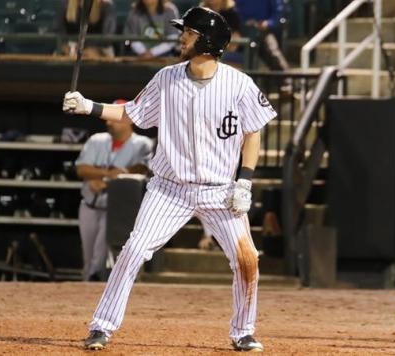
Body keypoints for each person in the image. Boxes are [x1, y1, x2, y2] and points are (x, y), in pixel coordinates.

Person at [63, 6, 277, 351]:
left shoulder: (239, 84)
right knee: (133, 250)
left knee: (246, 258)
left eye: (189, 32)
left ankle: (243, 331)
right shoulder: (167, 78)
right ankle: (101, 326)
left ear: (207, 41)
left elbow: (253, 133)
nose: (182, 37)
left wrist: (245, 181)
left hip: (219, 191)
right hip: (169, 189)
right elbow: (133, 113)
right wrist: (89, 106)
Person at [75, 102, 153, 281]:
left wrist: (113, 178)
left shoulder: (143, 144)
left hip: (117, 210)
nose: (109, 122)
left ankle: (97, 289)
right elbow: (82, 169)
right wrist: (105, 175)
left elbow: (142, 168)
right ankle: (86, 287)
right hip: (90, 204)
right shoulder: (97, 140)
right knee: (88, 258)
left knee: (100, 258)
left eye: (114, 119)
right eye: (108, 120)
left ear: (128, 120)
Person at [234, 0, 290, 73]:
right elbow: (234, 9)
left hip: (263, 31)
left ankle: (286, 81)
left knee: (272, 52)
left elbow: (278, 12)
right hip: (240, 31)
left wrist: (268, 23)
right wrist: (243, 22)